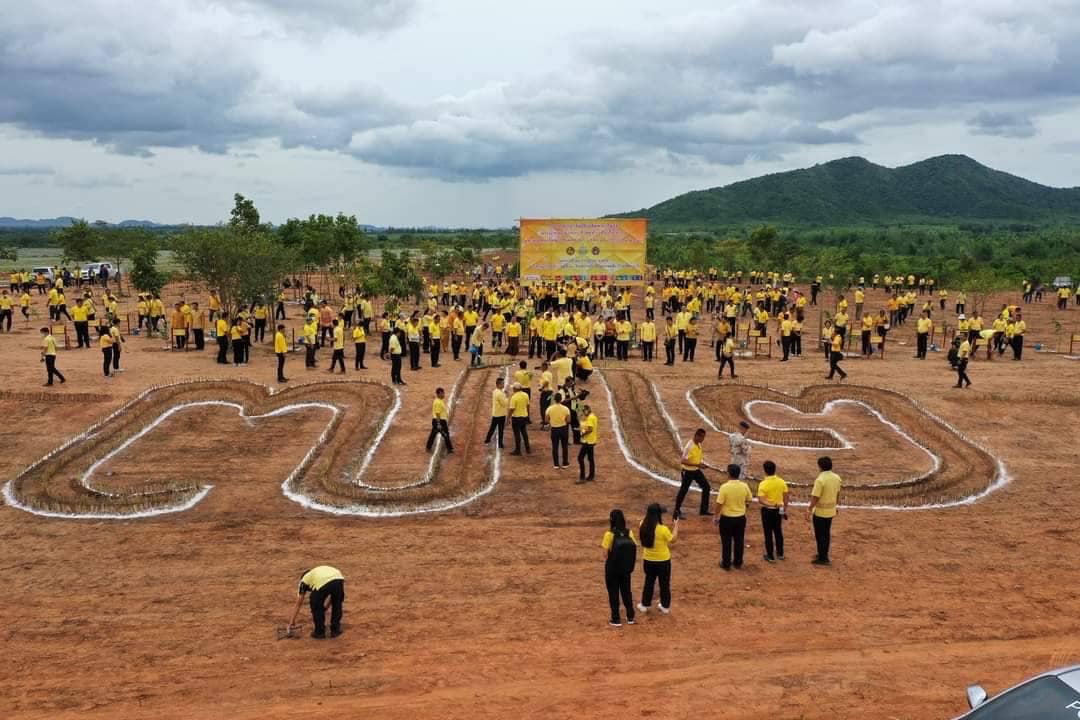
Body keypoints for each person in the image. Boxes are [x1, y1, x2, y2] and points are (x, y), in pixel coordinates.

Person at [637, 503, 676, 615]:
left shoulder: (642, 524)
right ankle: (665, 606)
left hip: (648, 560)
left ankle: (645, 605)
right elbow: (673, 540)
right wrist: (676, 525)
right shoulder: (663, 529)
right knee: (664, 584)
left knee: (649, 581)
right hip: (663, 561)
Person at [601, 509, 637, 627]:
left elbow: (605, 554)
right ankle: (630, 616)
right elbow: (634, 546)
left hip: (612, 568)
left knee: (613, 592)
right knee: (627, 591)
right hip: (626, 568)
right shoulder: (629, 533)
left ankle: (616, 618)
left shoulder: (609, 534)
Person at [714, 463, 753, 571]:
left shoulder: (724, 487)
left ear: (728, 474)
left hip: (727, 519)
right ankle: (738, 562)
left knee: (726, 541)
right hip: (740, 518)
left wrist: (716, 516)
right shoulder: (744, 486)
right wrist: (744, 507)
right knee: (739, 540)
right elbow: (749, 499)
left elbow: (719, 504)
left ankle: (726, 563)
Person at [288, 565, 345, 639]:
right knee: (337, 603)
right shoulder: (317, 573)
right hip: (338, 578)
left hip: (325, 581)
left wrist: (292, 621)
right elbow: (333, 597)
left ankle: (319, 632)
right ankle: (335, 630)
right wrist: (325, 608)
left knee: (314, 602)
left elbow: (298, 603)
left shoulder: (304, 580)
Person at [673, 428, 714, 519]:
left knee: (706, 487)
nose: (703, 439)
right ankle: (676, 511)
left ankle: (703, 510)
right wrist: (698, 465)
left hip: (695, 470)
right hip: (687, 471)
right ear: (697, 436)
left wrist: (701, 463)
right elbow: (683, 461)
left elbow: (696, 457)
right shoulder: (689, 446)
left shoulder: (698, 444)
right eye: (702, 437)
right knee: (683, 490)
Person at [808, 456, 841, 566]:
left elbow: (815, 497)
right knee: (826, 533)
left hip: (820, 512)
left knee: (820, 534)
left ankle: (823, 557)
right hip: (830, 511)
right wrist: (835, 506)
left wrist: (809, 509)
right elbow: (837, 493)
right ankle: (823, 554)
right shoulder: (837, 478)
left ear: (820, 467)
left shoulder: (820, 480)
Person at [757, 460, 789, 563]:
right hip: (779, 510)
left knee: (768, 533)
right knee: (778, 531)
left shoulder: (763, 484)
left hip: (767, 511)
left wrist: (771, 505)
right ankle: (780, 553)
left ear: (765, 471)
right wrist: (784, 510)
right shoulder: (782, 482)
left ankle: (770, 556)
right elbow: (786, 497)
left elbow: (761, 500)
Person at [545, 391, 571, 469]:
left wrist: (552, 422)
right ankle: (565, 463)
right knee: (564, 446)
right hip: (563, 429)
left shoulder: (549, 408)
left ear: (554, 399)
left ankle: (556, 464)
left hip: (554, 429)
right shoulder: (566, 409)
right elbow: (569, 420)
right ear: (561, 399)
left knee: (555, 447)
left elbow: (546, 420)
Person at [426, 387, 453, 453]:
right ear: (439, 394)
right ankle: (450, 449)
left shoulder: (439, 400)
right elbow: (437, 413)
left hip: (438, 421)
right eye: (442, 393)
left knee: (433, 434)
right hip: (439, 421)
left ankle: (428, 447)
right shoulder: (438, 402)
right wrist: (438, 424)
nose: (444, 394)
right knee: (445, 434)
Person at [577, 403, 598, 484]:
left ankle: (582, 478)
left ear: (587, 410)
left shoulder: (590, 418)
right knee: (590, 459)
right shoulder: (593, 416)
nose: (583, 413)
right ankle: (591, 476)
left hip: (587, 441)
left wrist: (582, 433)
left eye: (584, 411)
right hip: (592, 440)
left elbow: (590, 429)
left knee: (580, 458)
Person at [484, 377, 508, 449]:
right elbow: (504, 403)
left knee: (492, 428)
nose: (503, 384)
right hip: (500, 414)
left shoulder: (495, 391)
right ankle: (500, 444)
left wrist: (504, 394)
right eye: (502, 383)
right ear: (499, 384)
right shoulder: (500, 394)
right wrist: (507, 397)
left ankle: (487, 440)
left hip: (496, 413)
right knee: (500, 429)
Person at [509, 383, 531, 455]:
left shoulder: (514, 397)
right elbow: (528, 406)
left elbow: (512, 409)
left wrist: (508, 418)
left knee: (517, 434)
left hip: (516, 418)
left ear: (515, 389)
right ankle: (528, 449)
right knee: (524, 433)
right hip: (524, 416)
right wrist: (527, 414)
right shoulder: (526, 395)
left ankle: (518, 450)